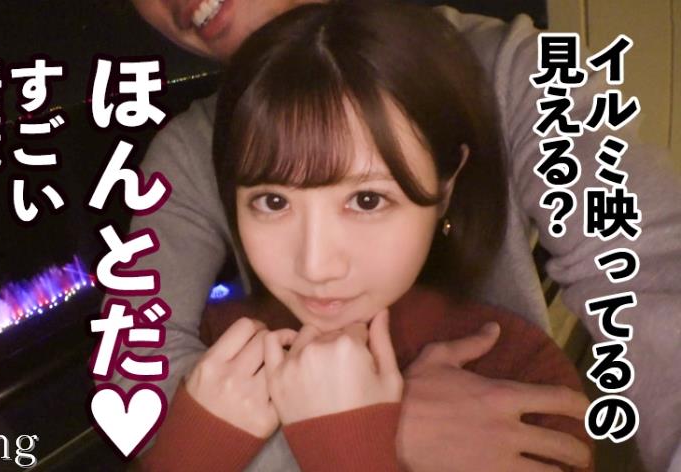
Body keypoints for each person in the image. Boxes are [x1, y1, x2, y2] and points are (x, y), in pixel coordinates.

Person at [111, 0, 681, 470]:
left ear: (448, 183)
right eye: (272, 201)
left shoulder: (519, 71)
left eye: (367, 199)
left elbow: (653, 272)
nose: (316, 266)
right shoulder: (229, 325)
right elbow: (138, 378)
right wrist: (365, 433)